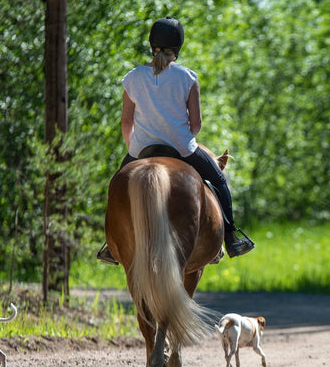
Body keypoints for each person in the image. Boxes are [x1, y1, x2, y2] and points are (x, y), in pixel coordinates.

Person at [97, 16, 254, 265]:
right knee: (219, 180)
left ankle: (111, 243)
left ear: (152, 45)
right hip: (181, 148)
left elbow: (126, 123)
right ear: (177, 48)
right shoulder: (187, 77)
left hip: (141, 149)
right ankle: (232, 238)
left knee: (117, 185)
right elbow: (196, 125)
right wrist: (182, 140)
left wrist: (133, 149)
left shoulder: (133, 77)